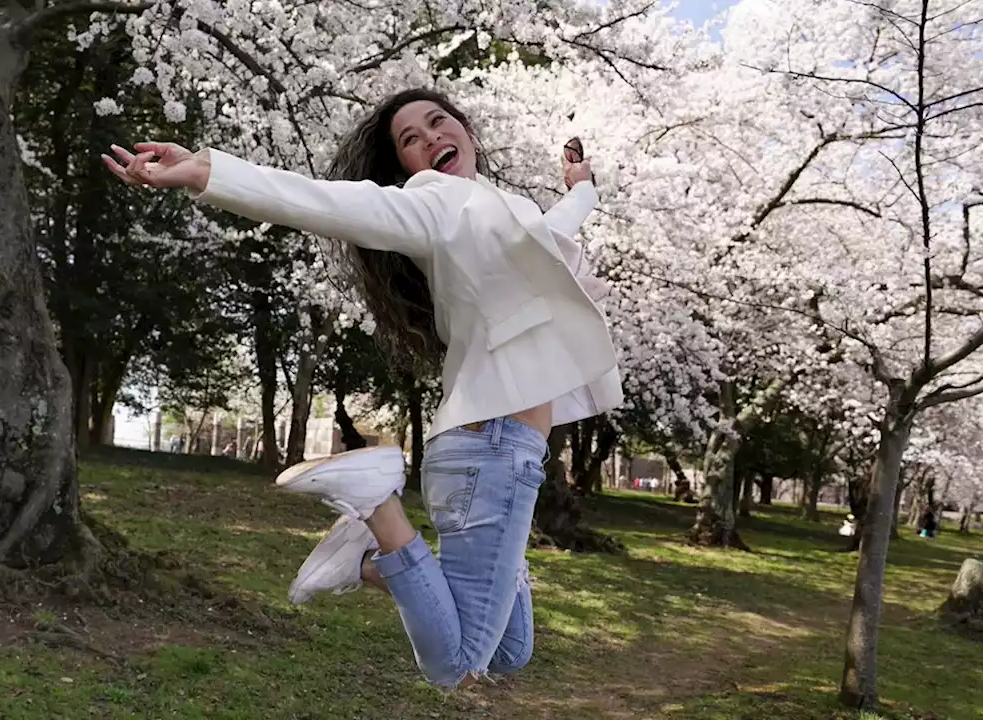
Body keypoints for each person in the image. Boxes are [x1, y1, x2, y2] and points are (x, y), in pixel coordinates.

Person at [103, 88, 617, 690]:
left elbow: (552, 234)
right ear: (408, 168)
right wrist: (206, 171)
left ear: (468, 134)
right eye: (410, 140)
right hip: (493, 446)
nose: (429, 139)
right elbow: (326, 203)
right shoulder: (435, 205)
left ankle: (374, 561)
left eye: (438, 123)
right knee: (460, 663)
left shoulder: (503, 210)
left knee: (512, 652)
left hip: (499, 450)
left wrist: (582, 188)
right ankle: (376, 504)